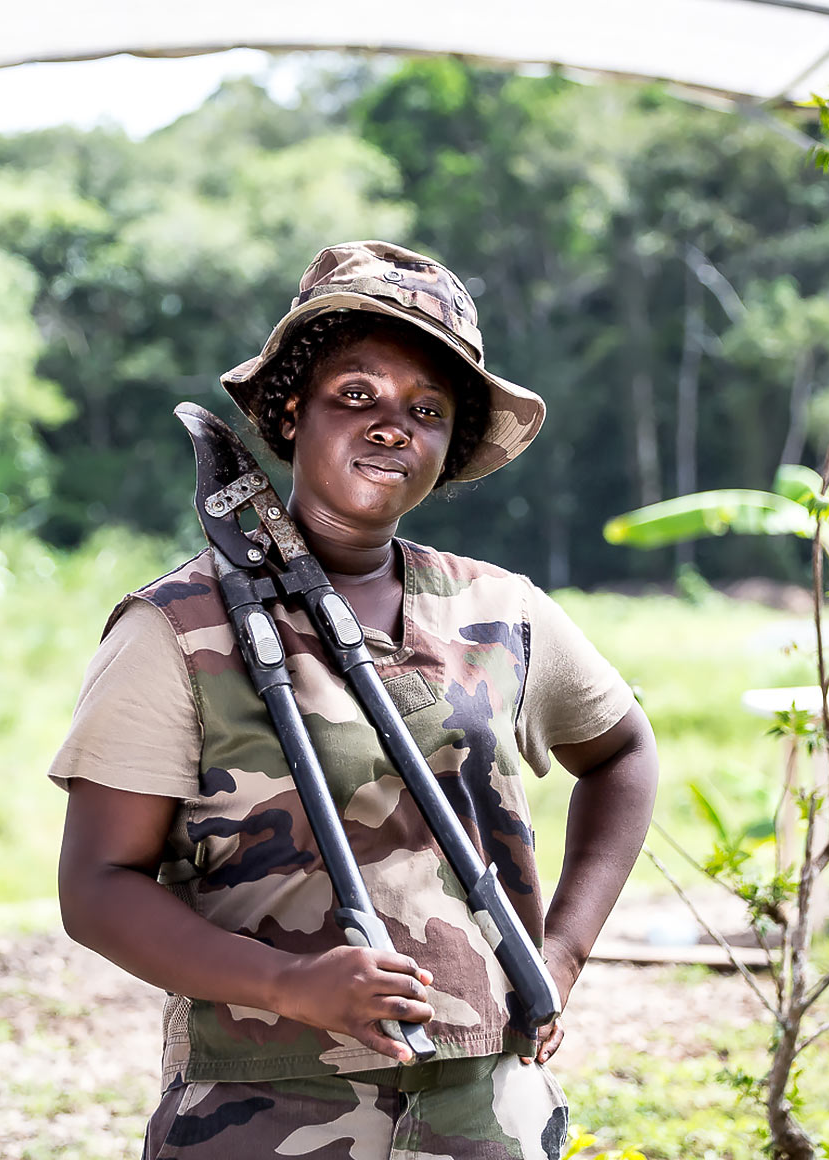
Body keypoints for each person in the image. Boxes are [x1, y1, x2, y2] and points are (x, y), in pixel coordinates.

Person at [51, 240, 658, 1160]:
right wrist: (290, 985)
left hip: (488, 1110)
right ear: (292, 411)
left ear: (449, 442)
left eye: (426, 409)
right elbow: (97, 888)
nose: (391, 427)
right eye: (356, 395)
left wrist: (563, 950)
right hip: (263, 1109)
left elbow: (622, 753)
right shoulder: (176, 629)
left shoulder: (500, 611)